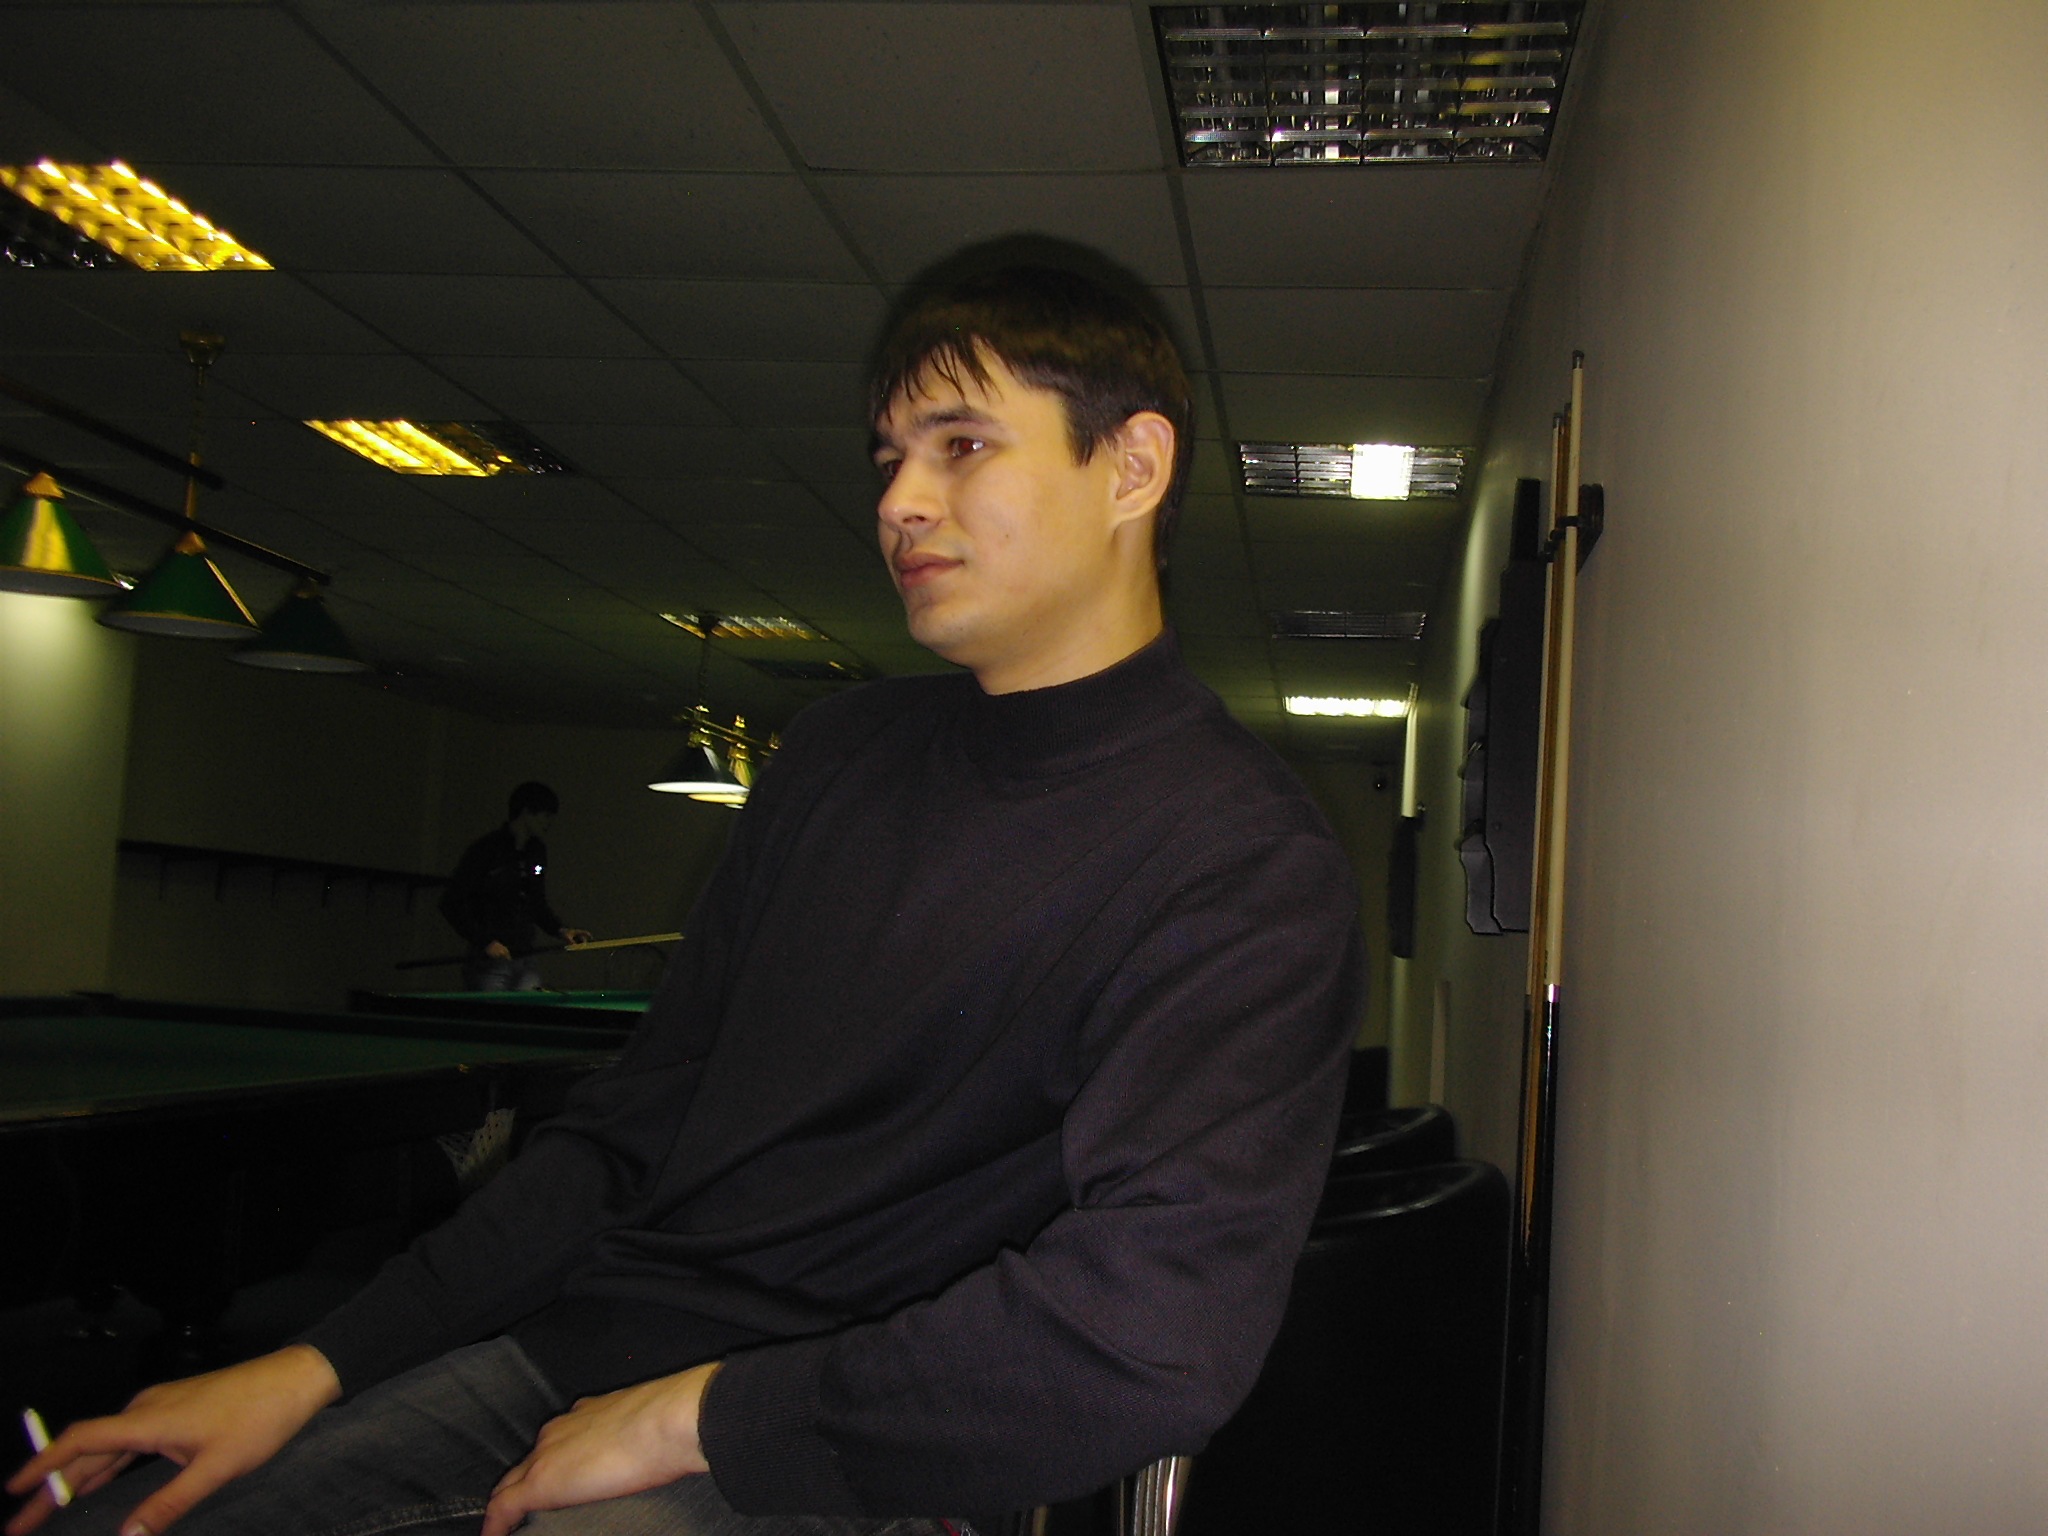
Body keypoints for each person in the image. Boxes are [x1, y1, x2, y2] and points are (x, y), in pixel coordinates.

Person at [8, 265, 1366, 1536]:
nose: (899, 500)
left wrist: (699, 1419)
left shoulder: (1238, 862)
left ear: (1131, 466)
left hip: (826, 1440)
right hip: (571, 1359)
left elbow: (1148, 1341)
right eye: (888, 458)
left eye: (960, 444)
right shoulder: (836, 754)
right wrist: (311, 1367)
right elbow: (628, 1135)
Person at [440, 782, 592, 991]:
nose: (549, 822)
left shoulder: (536, 851)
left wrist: (561, 930)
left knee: (528, 1008)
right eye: (545, 815)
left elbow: (536, 902)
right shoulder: (486, 850)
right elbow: (451, 902)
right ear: (526, 812)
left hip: (525, 957)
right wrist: (485, 942)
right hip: (490, 963)